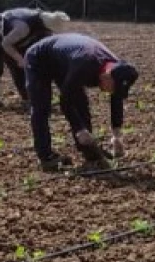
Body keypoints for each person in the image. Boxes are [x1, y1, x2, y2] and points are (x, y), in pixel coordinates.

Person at [24, 34, 139, 171]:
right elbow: (65, 100)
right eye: (112, 87)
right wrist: (79, 128)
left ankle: (90, 152)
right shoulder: (85, 64)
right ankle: (46, 157)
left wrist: (116, 135)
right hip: (40, 58)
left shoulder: (118, 68)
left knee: (81, 104)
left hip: (65, 62)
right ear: (106, 76)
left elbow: (116, 97)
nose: (111, 91)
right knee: (41, 108)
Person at [0, 9, 72, 107]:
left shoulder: (42, 26)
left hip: (7, 36)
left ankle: (28, 97)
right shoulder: (23, 27)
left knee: (19, 68)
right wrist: (20, 59)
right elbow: (6, 44)